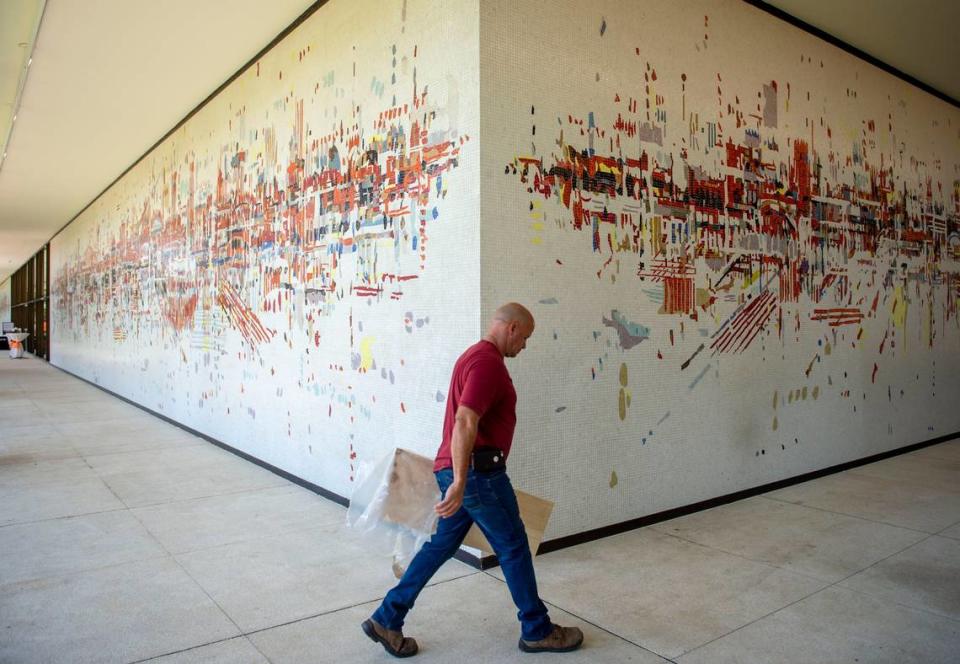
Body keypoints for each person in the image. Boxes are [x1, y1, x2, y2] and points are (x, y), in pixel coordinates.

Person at [362, 302, 584, 657]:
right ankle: (537, 629)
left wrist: (457, 478)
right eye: (524, 337)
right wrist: (462, 480)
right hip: (479, 475)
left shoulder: (473, 357)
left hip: (464, 473)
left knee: (441, 546)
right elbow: (466, 420)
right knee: (513, 546)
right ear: (511, 327)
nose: (524, 346)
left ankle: (387, 617)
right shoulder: (487, 363)